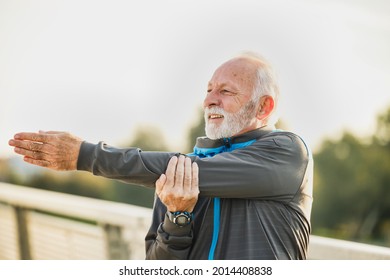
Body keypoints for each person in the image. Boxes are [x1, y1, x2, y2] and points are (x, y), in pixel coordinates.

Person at [8, 52, 313, 260]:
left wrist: (85, 155)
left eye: (225, 91)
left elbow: (194, 171)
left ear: (264, 107)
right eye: (208, 90)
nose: (208, 100)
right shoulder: (175, 174)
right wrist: (177, 220)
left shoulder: (286, 151)